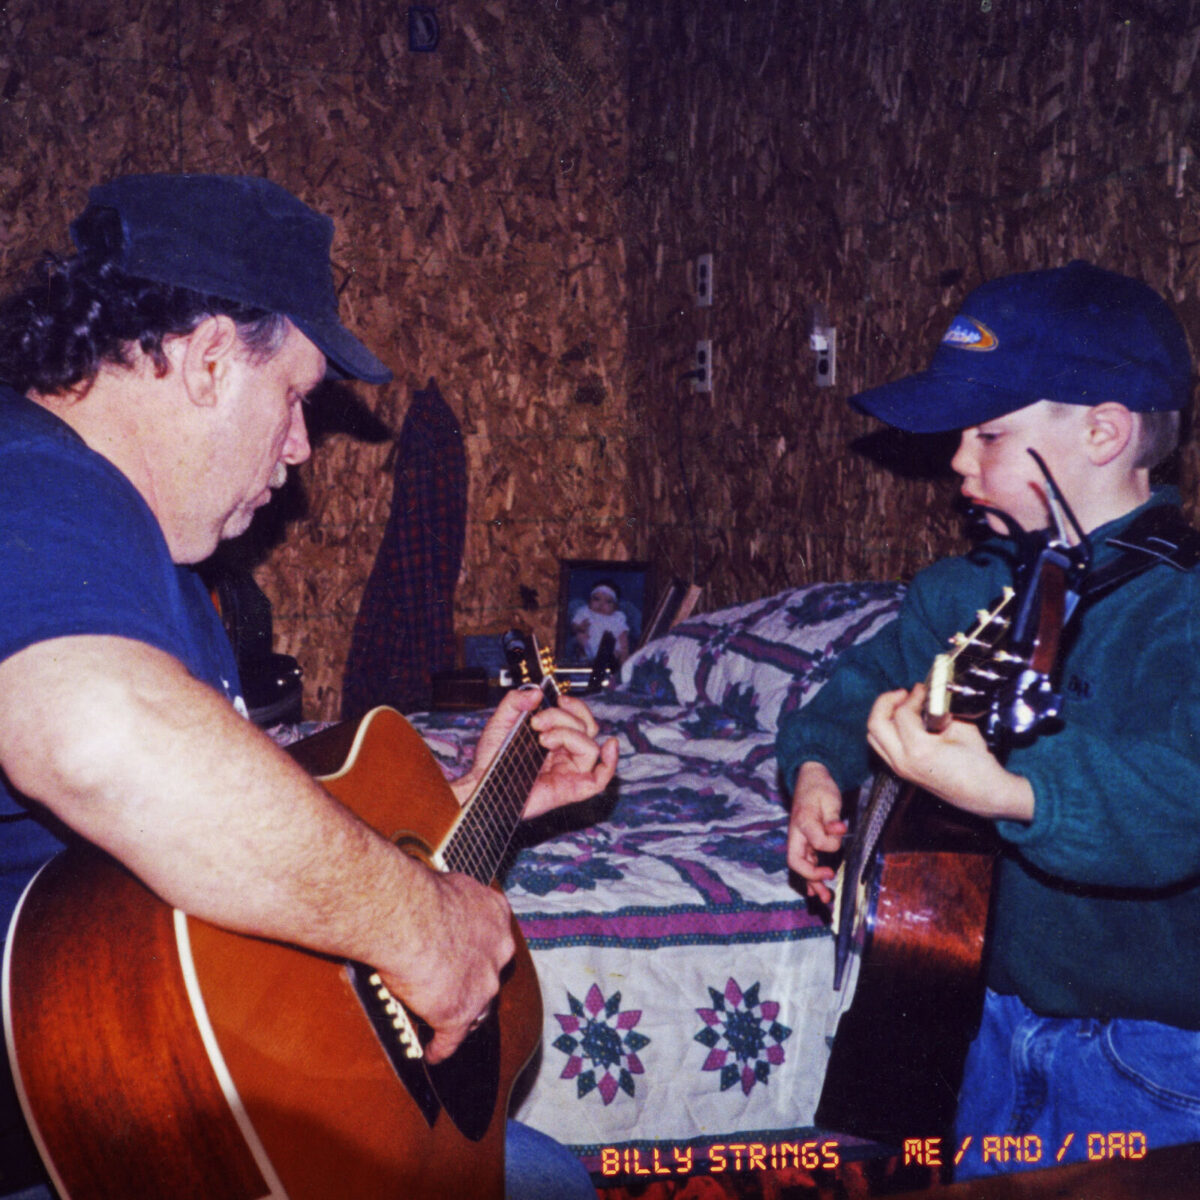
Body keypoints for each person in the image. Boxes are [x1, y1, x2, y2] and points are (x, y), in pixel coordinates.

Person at [0, 173, 617, 1199]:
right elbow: (96, 736)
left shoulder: (156, 569)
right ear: (205, 362)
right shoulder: (29, 481)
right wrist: (418, 924)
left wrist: (473, 806)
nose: (299, 449)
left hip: (162, 1100)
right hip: (74, 1132)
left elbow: (219, 852)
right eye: (294, 395)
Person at [777, 260, 1200, 1180]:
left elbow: (1184, 800)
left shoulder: (1181, 612)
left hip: (1153, 1059)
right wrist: (817, 770)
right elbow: (860, 686)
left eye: (988, 432)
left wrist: (1013, 790)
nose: (959, 463)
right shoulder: (971, 591)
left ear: (1102, 431)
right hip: (989, 1023)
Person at [569, 581, 631, 665]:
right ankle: (586, 658)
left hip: (610, 650)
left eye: (608, 601)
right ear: (589, 601)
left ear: (615, 607)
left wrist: (624, 650)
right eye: (596, 599)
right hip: (590, 645)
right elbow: (574, 625)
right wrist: (579, 627)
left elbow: (623, 635)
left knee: (622, 649)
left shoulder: (617, 617)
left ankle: (622, 668)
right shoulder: (585, 611)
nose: (601, 604)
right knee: (580, 636)